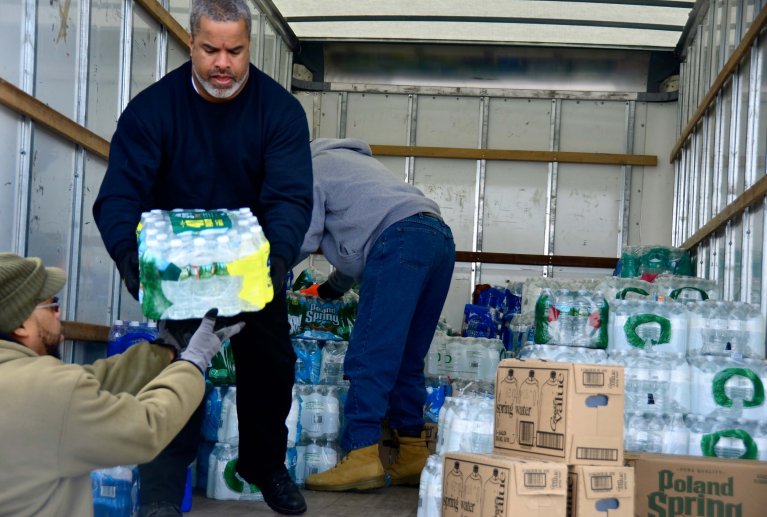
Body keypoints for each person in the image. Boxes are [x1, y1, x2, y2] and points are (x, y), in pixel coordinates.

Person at [91, 0, 313, 514]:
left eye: (235, 51)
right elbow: (120, 197)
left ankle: (264, 465)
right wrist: (134, 265)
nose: (223, 63)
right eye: (210, 48)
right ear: (191, 43)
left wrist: (274, 267)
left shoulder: (279, 112)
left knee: (271, 364)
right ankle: (164, 491)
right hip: (180, 275)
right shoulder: (152, 111)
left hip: (251, 272)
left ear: (249, 47)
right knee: (175, 367)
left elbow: (289, 199)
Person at [0, 252, 243, 516]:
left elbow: (88, 382)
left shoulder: (22, 380)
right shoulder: (47, 390)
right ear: (22, 324)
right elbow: (146, 426)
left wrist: (165, 352)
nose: (60, 315)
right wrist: (193, 363)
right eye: (52, 306)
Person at [298, 138, 455, 491]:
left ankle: (362, 453)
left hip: (399, 240)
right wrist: (331, 289)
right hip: (438, 239)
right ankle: (413, 451)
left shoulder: (311, 168)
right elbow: (365, 235)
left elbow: (305, 237)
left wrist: (265, 271)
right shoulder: (359, 167)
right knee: (407, 357)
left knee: (372, 352)